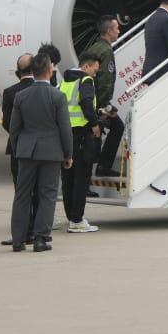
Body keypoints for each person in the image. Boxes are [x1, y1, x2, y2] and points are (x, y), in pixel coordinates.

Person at [8, 53, 73, 252]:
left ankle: (18, 239)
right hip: (51, 151)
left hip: (26, 151)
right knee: (47, 194)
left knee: (22, 195)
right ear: (49, 70)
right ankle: (40, 238)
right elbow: (64, 128)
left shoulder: (21, 96)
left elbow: (14, 129)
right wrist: (68, 154)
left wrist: (20, 148)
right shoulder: (57, 96)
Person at [59, 54, 103, 234]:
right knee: (81, 178)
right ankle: (77, 220)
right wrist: (94, 123)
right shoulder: (85, 81)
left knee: (68, 178)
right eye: (94, 69)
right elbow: (85, 101)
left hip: (66, 134)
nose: (95, 74)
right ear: (86, 67)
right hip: (82, 134)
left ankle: (71, 217)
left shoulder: (66, 81)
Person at [0, 53, 36, 244]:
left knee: (21, 192)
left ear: (17, 72)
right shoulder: (46, 90)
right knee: (39, 190)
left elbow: (7, 123)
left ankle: (22, 233)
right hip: (40, 147)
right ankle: (37, 230)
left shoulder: (10, 92)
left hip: (18, 147)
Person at [83, 17, 124, 176]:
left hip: (91, 100)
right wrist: (104, 106)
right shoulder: (106, 51)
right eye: (117, 28)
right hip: (98, 103)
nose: (119, 31)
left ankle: (100, 167)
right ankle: (103, 167)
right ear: (109, 31)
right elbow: (106, 81)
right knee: (117, 127)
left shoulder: (95, 47)